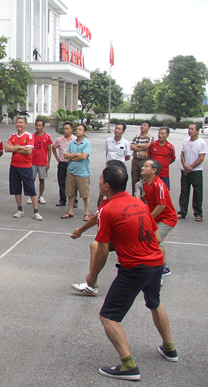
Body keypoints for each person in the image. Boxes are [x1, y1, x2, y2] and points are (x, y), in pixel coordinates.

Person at [91, 166, 176, 381]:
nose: (99, 183)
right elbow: (156, 238)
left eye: (100, 180)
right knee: (154, 303)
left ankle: (128, 365)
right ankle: (169, 348)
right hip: (156, 262)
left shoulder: (108, 210)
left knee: (108, 316)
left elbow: (101, 250)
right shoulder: (140, 203)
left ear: (107, 186)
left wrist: (92, 276)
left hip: (135, 268)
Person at [69, 160, 128, 296]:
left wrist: (92, 274)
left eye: (102, 177)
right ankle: (91, 286)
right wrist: (81, 230)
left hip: (127, 239)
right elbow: (97, 216)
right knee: (95, 246)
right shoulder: (111, 198)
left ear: (108, 184)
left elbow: (103, 248)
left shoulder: (114, 204)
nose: (99, 180)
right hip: (122, 237)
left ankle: (91, 281)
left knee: (99, 247)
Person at [141, 159, 177, 276]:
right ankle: (162, 266)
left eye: (146, 166)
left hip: (167, 219)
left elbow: (162, 205)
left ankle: (161, 267)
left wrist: (149, 218)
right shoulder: (146, 184)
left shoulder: (159, 184)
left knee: (155, 240)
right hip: (156, 218)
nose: (142, 168)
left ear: (154, 170)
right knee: (155, 240)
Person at [5, 117, 42, 220]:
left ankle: (36, 211)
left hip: (26, 167)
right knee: (16, 190)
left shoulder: (29, 135)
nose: (19, 124)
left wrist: (16, 147)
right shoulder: (12, 136)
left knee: (31, 189)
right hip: (14, 166)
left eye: (21, 123)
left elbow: (29, 151)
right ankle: (20, 209)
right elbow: (7, 148)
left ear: (25, 124)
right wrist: (21, 147)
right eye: (17, 122)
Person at [178, 123, 207, 221]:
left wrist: (190, 167)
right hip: (185, 170)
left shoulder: (202, 143)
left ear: (197, 131)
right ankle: (182, 211)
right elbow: (182, 154)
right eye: (189, 129)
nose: (190, 131)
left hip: (196, 171)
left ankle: (198, 213)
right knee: (184, 192)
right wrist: (185, 166)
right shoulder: (185, 141)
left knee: (197, 192)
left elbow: (201, 158)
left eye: (192, 129)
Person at [62, 124, 92, 221]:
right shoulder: (71, 143)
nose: (77, 131)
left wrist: (73, 156)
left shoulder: (87, 144)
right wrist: (78, 154)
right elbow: (65, 155)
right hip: (71, 171)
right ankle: (70, 211)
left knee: (84, 194)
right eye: (77, 129)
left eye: (80, 129)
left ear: (85, 132)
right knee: (71, 193)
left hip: (83, 173)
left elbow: (84, 157)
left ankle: (87, 213)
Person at [52, 122, 77, 208]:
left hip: (72, 163)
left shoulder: (75, 139)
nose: (65, 130)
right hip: (62, 163)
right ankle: (62, 199)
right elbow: (53, 147)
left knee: (73, 183)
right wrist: (57, 159)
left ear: (72, 130)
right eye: (64, 129)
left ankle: (74, 200)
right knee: (62, 182)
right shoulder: (59, 139)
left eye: (67, 129)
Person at [29, 119, 53, 205]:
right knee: (31, 179)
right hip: (33, 161)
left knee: (41, 179)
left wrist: (48, 162)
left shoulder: (47, 137)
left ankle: (41, 195)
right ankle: (31, 195)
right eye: (37, 125)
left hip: (42, 162)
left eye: (40, 125)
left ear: (43, 126)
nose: (38, 127)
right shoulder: (32, 136)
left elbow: (49, 150)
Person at [130, 121, 154, 195]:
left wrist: (137, 146)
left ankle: (144, 198)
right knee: (134, 180)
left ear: (149, 128)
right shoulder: (136, 137)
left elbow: (149, 146)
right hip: (136, 160)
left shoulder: (150, 137)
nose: (143, 126)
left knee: (144, 179)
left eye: (145, 125)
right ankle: (135, 196)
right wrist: (143, 147)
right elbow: (131, 146)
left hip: (145, 160)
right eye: (142, 125)